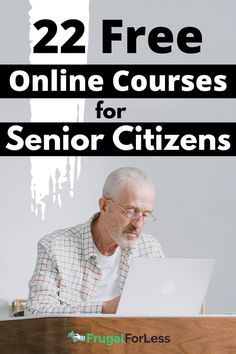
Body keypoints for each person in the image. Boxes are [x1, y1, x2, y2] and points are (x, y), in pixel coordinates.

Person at [25, 167, 164, 315]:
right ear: (105, 206)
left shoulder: (150, 248)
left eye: (146, 214)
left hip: (133, 337)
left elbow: (164, 306)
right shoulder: (55, 246)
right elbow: (36, 311)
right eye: (130, 212)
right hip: (76, 337)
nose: (138, 224)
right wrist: (104, 308)